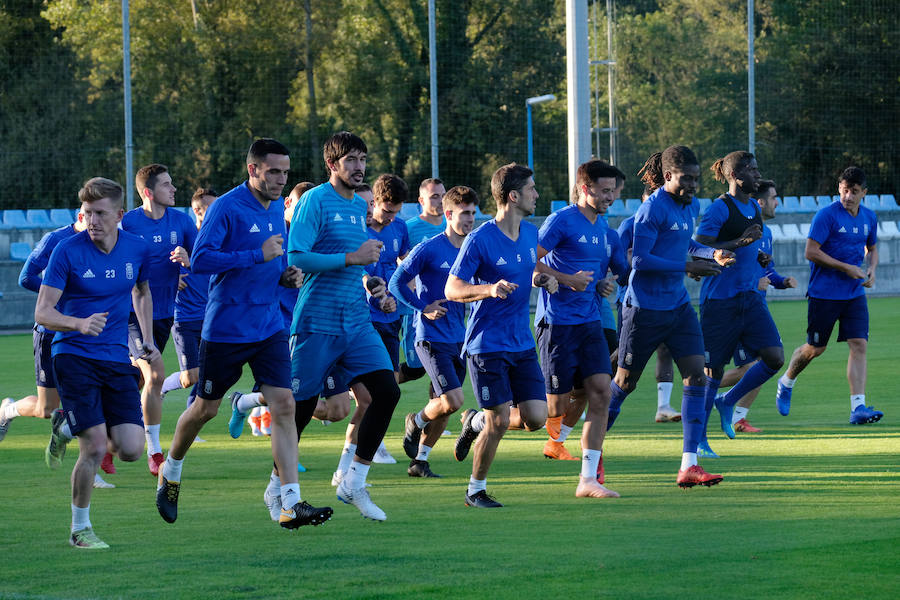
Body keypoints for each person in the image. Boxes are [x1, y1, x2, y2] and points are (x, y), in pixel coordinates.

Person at [154, 139, 324, 531]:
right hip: (226, 329)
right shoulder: (228, 207)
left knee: (285, 405)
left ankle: (290, 502)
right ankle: (172, 470)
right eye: (273, 172)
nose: (281, 180)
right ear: (253, 170)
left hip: (268, 327)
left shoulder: (277, 211)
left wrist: (286, 275)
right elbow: (201, 260)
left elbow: (273, 260)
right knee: (204, 409)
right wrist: (256, 256)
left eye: (285, 172)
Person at [35, 177, 155, 548]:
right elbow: (42, 312)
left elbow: (142, 290)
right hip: (72, 354)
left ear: (120, 214)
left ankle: (66, 426)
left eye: (101, 213)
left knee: (133, 449)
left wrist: (147, 339)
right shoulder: (67, 251)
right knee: (96, 445)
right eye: (87, 213)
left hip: (116, 357)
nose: (93, 220)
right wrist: (78, 324)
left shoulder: (137, 248)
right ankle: (79, 530)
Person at [288, 131, 401, 521]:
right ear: (332, 164)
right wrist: (352, 258)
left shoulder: (358, 207)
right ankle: (278, 491)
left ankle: (354, 482)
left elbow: (357, 267)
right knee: (299, 413)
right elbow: (297, 256)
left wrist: (374, 287)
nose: (359, 167)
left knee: (387, 392)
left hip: (355, 320)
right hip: (317, 321)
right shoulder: (314, 201)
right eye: (351, 159)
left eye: (363, 159)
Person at [606, 146, 733, 488]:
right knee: (624, 383)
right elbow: (640, 261)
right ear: (667, 177)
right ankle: (594, 453)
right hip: (644, 308)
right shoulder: (651, 210)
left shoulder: (690, 205)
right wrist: (689, 266)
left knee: (697, 375)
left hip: (677, 307)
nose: (693, 185)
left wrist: (711, 252)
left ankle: (689, 465)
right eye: (686, 178)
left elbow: (685, 242)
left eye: (696, 178)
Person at [445, 163, 558, 508]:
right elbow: (452, 288)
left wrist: (542, 280)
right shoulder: (480, 238)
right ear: (513, 195)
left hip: (521, 343)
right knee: (498, 421)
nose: (537, 194)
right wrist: (489, 289)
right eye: (532, 189)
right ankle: (475, 490)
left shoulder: (529, 234)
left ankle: (474, 419)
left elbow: (529, 269)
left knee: (537, 418)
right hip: (487, 345)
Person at [533, 159, 628, 498]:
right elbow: (530, 259)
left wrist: (604, 284)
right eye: (604, 191)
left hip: (589, 322)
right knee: (551, 410)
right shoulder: (561, 221)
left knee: (601, 391)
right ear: (585, 189)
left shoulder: (605, 230)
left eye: (613, 191)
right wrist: (565, 279)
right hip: (557, 325)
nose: (610, 197)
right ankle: (482, 420)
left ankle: (588, 478)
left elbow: (618, 272)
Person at [693, 151, 784, 451]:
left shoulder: (753, 209)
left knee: (774, 357)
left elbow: (750, 246)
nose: (758, 175)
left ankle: (728, 401)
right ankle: (700, 440)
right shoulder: (720, 209)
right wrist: (737, 243)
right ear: (735, 176)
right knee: (712, 371)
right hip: (720, 301)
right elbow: (699, 248)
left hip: (750, 298)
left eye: (758, 170)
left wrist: (759, 256)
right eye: (753, 171)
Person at [776, 166, 881, 425]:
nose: (848, 196)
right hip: (824, 294)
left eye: (854, 192)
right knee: (815, 348)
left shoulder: (869, 217)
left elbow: (873, 247)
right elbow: (810, 252)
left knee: (859, 345)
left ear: (864, 193)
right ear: (839, 189)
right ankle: (787, 380)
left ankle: (858, 408)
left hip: (854, 295)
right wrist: (846, 267)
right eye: (844, 190)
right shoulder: (826, 216)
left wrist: (872, 269)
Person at [389, 185, 478, 478]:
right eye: (465, 213)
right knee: (453, 399)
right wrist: (422, 307)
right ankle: (415, 421)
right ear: (449, 214)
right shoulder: (429, 247)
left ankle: (420, 461)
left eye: (473, 213)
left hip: (460, 338)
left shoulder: (472, 248)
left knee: (444, 406)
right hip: (430, 336)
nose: (470, 219)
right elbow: (396, 283)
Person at [121, 164, 196, 476]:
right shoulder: (128, 223)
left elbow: (205, 256)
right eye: (167, 184)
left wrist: (188, 261)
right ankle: (154, 452)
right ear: (149, 192)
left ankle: (111, 443)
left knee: (134, 382)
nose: (174, 189)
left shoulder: (181, 221)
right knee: (154, 375)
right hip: (130, 314)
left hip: (165, 314)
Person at [716, 179, 797, 433]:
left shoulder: (767, 233)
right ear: (760, 202)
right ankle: (698, 388)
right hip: (738, 307)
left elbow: (767, 271)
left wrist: (781, 282)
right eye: (774, 198)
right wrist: (755, 281)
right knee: (750, 369)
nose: (777, 203)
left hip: (756, 308)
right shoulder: (736, 228)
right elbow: (724, 263)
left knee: (766, 363)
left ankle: (738, 416)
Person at [613, 185, 682, 424]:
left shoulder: (670, 222)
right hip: (632, 299)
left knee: (666, 349)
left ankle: (663, 406)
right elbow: (619, 263)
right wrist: (632, 263)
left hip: (664, 299)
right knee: (622, 359)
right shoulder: (629, 225)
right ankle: (590, 393)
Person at [158, 188, 217, 415]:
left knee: (205, 374)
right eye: (210, 207)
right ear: (197, 211)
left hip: (211, 319)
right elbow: (159, 268)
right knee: (190, 377)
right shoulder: (183, 239)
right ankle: (160, 386)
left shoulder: (218, 240)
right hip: (184, 317)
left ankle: (193, 422)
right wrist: (173, 276)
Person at [396, 178, 447, 385]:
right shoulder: (409, 228)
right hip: (416, 308)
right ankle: (366, 389)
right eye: (435, 196)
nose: (441, 201)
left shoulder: (452, 225)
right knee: (416, 368)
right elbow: (398, 260)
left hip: (447, 307)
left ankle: (428, 416)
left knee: (446, 364)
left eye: (444, 196)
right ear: (421, 200)